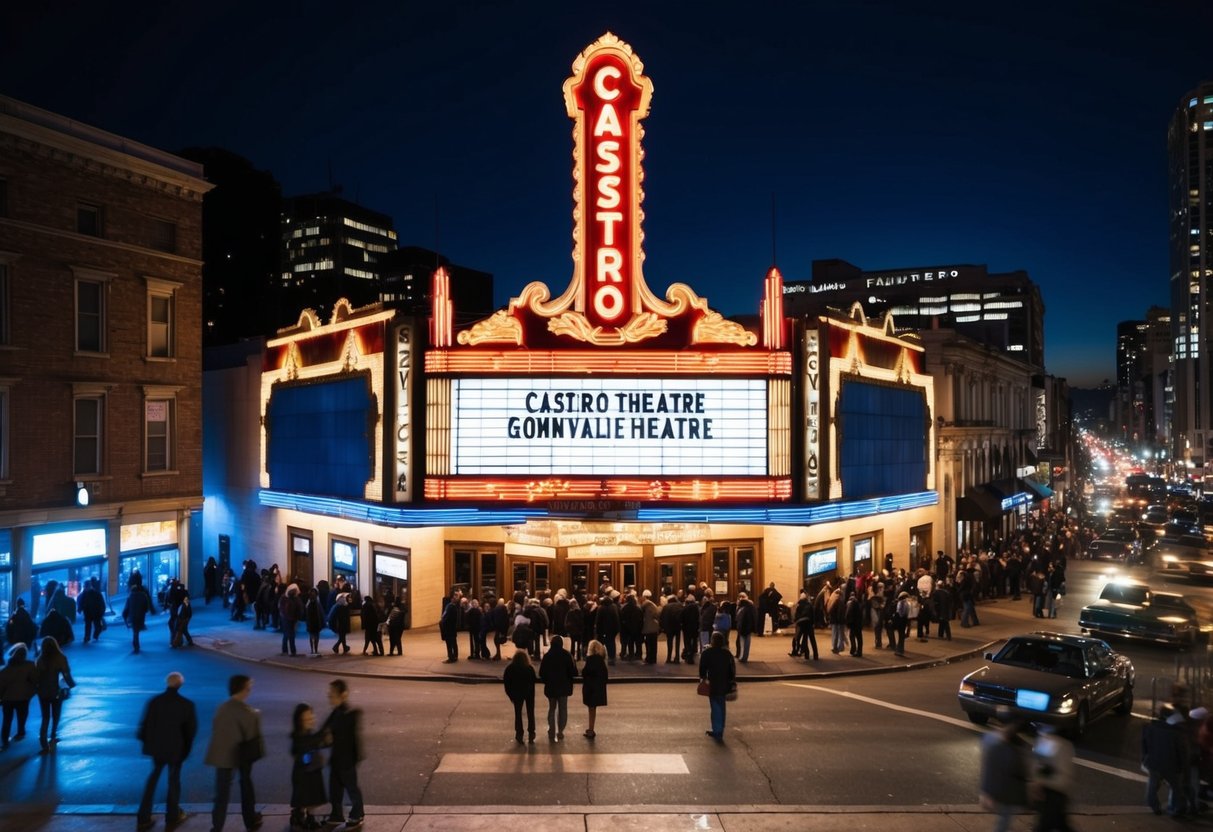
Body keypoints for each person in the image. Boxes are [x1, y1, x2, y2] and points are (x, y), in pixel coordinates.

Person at [136, 672, 197, 832]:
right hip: (176, 749)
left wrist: (148, 743)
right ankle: (172, 814)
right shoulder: (186, 704)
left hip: (157, 749)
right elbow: (190, 732)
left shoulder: (154, 702)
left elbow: (144, 726)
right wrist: (186, 750)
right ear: (180, 685)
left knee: (153, 779)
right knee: (174, 781)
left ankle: (143, 816)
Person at [203, 675, 264, 832]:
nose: (250, 690)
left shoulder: (221, 708)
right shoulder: (250, 713)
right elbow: (253, 738)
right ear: (244, 689)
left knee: (221, 793)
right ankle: (250, 819)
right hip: (242, 756)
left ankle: (217, 826)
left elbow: (216, 728)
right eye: (248, 687)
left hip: (222, 755)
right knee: (246, 787)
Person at [321, 678, 364, 828]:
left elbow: (340, 734)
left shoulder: (346, 713)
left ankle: (357, 813)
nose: (329, 696)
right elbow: (325, 731)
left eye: (332, 693)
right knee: (335, 789)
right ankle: (337, 814)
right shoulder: (336, 712)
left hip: (346, 760)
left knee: (351, 788)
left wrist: (328, 736)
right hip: (337, 759)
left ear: (343, 695)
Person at [979, 715, 1031, 832]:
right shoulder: (1012, 749)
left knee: (1004, 818)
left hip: (999, 791)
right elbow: (1022, 771)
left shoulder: (990, 740)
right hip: (1007, 792)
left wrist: (985, 791)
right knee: (1004, 819)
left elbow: (988, 770)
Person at [1143, 703, 1190, 817]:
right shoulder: (1177, 733)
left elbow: (1145, 745)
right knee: (1175, 787)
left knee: (1152, 786)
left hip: (1154, 763)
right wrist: (1184, 768)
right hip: (1171, 766)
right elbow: (1182, 753)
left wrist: (1145, 759)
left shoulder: (1151, 728)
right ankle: (1173, 808)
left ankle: (1154, 806)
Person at [290, 703, 329, 831]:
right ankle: (299, 816)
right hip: (304, 773)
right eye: (306, 719)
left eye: (311, 718)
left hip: (312, 770)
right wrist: (322, 736)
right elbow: (307, 745)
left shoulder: (309, 734)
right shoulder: (299, 737)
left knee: (312, 797)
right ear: (299, 721)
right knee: (305, 797)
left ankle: (309, 817)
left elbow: (315, 744)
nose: (310, 721)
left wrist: (324, 741)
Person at [1032, 722, 1075, 832]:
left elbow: (1063, 778)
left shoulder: (1060, 745)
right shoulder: (1054, 742)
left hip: (1054, 795)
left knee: (1044, 826)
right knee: (1061, 824)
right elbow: (1040, 764)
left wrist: (1042, 781)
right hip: (1052, 794)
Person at [34, 635, 74, 752]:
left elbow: (36, 677)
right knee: (56, 714)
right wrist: (71, 684)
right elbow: (66, 674)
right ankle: (53, 735)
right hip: (56, 691)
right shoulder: (61, 658)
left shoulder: (40, 659)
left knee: (45, 716)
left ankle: (43, 739)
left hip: (42, 692)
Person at [699, 630, 736, 741]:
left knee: (715, 707)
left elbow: (702, 668)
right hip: (724, 683)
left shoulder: (707, 653)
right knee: (721, 706)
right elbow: (732, 670)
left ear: (712, 641)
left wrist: (703, 678)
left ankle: (717, 730)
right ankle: (719, 729)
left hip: (713, 683)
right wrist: (731, 682)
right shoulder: (727, 654)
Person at [539, 634, 576, 742]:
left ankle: (552, 729)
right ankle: (560, 731)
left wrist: (547, 681)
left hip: (551, 687)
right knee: (563, 709)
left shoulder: (547, 656)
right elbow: (573, 672)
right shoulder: (567, 655)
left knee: (552, 708)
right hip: (564, 687)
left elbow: (542, 673)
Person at [0, 643, 37, 749]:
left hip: (7, 698)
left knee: (7, 720)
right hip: (23, 697)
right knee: (22, 715)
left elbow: (1, 686)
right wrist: (32, 691)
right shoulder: (29, 665)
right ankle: (21, 732)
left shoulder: (6, 670)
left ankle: (5, 740)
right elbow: (35, 680)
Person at [503, 649, 537, 744]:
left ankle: (519, 733)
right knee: (530, 713)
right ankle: (531, 733)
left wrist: (511, 695)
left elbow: (507, 683)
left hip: (516, 693)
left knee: (518, 714)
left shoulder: (510, 669)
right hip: (529, 693)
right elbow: (533, 681)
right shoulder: (529, 669)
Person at [581, 639, 608, 739]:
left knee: (591, 709)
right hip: (598, 689)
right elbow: (605, 676)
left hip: (590, 689)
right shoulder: (601, 661)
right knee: (593, 710)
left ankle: (591, 730)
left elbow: (585, 672)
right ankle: (591, 728)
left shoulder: (590, 660)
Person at [123, 582, 154, 654]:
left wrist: (125, 615)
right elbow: (146, 607)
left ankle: (136, 644)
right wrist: (144, 611)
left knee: (135, 630)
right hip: (140, 616)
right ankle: (136, 644)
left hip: (133, 616)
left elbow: (127, 607)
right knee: (137, 630)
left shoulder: (130, 597)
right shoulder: (143, 596)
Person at [78, 578, 106, 643]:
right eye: (85, 586)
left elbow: (102, 603)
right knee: (88, 625)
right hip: (88, 612)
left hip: (96, 613)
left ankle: (94, 635)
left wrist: (101, 612)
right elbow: (82, 602)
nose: (85, 588)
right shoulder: (85, 594)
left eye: (86, 586)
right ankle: (87, 637)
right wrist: (80, 608)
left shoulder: (96, 593)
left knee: (97, 626)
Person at [280, 584, 303, 656]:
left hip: (290, 619)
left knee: (287, 634)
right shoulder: (287, 598)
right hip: (288, 619)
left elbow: (299, 608)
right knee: (290, 635)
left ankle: (286, 651)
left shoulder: (292, 598)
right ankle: (292, 651)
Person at [733, 593, 756, 663]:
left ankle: (743, 657)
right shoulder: (749, 607)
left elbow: (738, 618)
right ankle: (743, 657)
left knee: (743, 643)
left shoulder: (743, 608)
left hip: (743, 628)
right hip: (746, 628)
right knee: (745, 643)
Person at [439, 591, 460, 663]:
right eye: (455, 597)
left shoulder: (450, 606)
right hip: (453, 628)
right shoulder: (455, 606)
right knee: (454, 642)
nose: (456, 598)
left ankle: (451, 657)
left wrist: (442, 622)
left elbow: (445, 617)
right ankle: (455, 656)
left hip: (448, 628)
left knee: (449, 643)